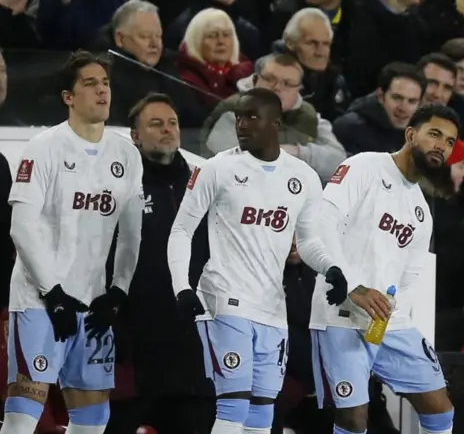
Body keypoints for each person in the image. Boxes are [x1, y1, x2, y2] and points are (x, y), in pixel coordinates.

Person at [167, 87, 348, 434]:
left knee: (262, 414)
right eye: (239, 117)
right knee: (233, 403)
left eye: (252, 116)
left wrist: (331, 268)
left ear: (276, 123)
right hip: (224, 300)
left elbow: (308, 241)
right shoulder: (217, 168)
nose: (242, 124)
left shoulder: (304, 178)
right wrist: (182, 287)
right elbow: (180, 231)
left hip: (271, 308)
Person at [2, 50, 144, 434]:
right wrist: (53, 292)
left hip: (92, 305)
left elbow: (131, 234)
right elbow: (22, 227)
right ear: (68, 96)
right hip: (39, 303)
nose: (102, 91)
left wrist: (117, 292)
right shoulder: (44, 147)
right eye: (90, 83)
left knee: (93, 420)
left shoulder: (126, 155)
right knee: (22, 416)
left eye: (106, 83)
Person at [309, 104, 460, 434]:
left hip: (388, 324)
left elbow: (407, 281)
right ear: (410, 134)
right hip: (339, 316)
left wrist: (391, 312)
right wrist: (353, 285)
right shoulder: (363, 166)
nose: (441, 146)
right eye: (434, 134)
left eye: (449, 142)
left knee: (440, 408)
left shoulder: (421, 210)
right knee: (352, 417)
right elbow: (322, 224)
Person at [105, 93, 215, 434]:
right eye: (155, 124)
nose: (167, 130)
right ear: (135, 136)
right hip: (134, 347)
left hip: (192, 352)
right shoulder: (119, 186)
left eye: (172, 123)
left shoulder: (205, 184)